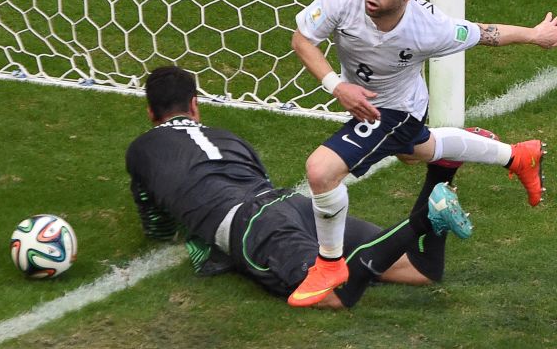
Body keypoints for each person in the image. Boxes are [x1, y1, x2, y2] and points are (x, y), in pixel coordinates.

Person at [288, 0, 557, 306]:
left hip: (394, 111)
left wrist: (535, 35)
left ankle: (330, 263)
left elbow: (484, 33)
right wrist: (337, 85)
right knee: (418, 151)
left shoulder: (429, 27)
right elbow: (302, 40)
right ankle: (517, 155)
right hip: (365, 102)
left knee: (321, 171)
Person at [125, 65, 480, 308]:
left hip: (254, 228)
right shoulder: (228, 138)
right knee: (420, 271)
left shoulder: (141, 149)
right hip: (291, 204)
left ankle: (424, 218)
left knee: (332, 295)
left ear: (150, 113)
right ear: (194, 106)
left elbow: (158, 226)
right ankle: (440, 174)